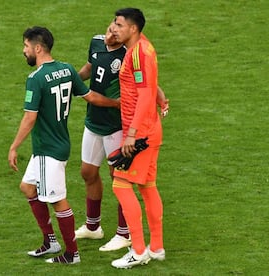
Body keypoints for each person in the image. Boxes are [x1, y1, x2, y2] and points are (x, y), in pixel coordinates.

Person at [8, 26, 120, 265]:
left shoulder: (36, 79)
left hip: (50, 149)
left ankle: (72, 253)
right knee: (28, 187)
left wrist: (14, 146)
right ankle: (51, 241)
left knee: (58, 199)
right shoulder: (67, 69)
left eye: (26, 46)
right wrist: (115, 103)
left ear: (38, 48)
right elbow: (90, 96)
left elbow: (30, 117)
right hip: (53, 145)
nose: (23, 51)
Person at [74, 22, 169, 252]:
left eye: (115, 34)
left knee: (120, 179)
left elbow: (148, 83)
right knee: (88, 172)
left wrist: (161, 98)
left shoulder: (129, 54)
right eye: (109, 30)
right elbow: (90, 67)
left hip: (117, 125)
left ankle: (124, 233)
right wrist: (73, 80)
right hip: (93, 121)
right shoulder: (96, 41)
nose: (109, 36)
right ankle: (93, 226)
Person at [109, 8, 166, 269]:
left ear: (133, 28)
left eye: (119, 24)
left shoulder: (138, 52)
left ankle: (139, 249)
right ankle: (156, 247)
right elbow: (148, 85)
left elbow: (143, 94)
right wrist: (160, 96)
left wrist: (132, 134)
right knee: (147, 186)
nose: (114, 28)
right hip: (149, 129)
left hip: (140, 132)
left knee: (120, 185)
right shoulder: (143, 48)